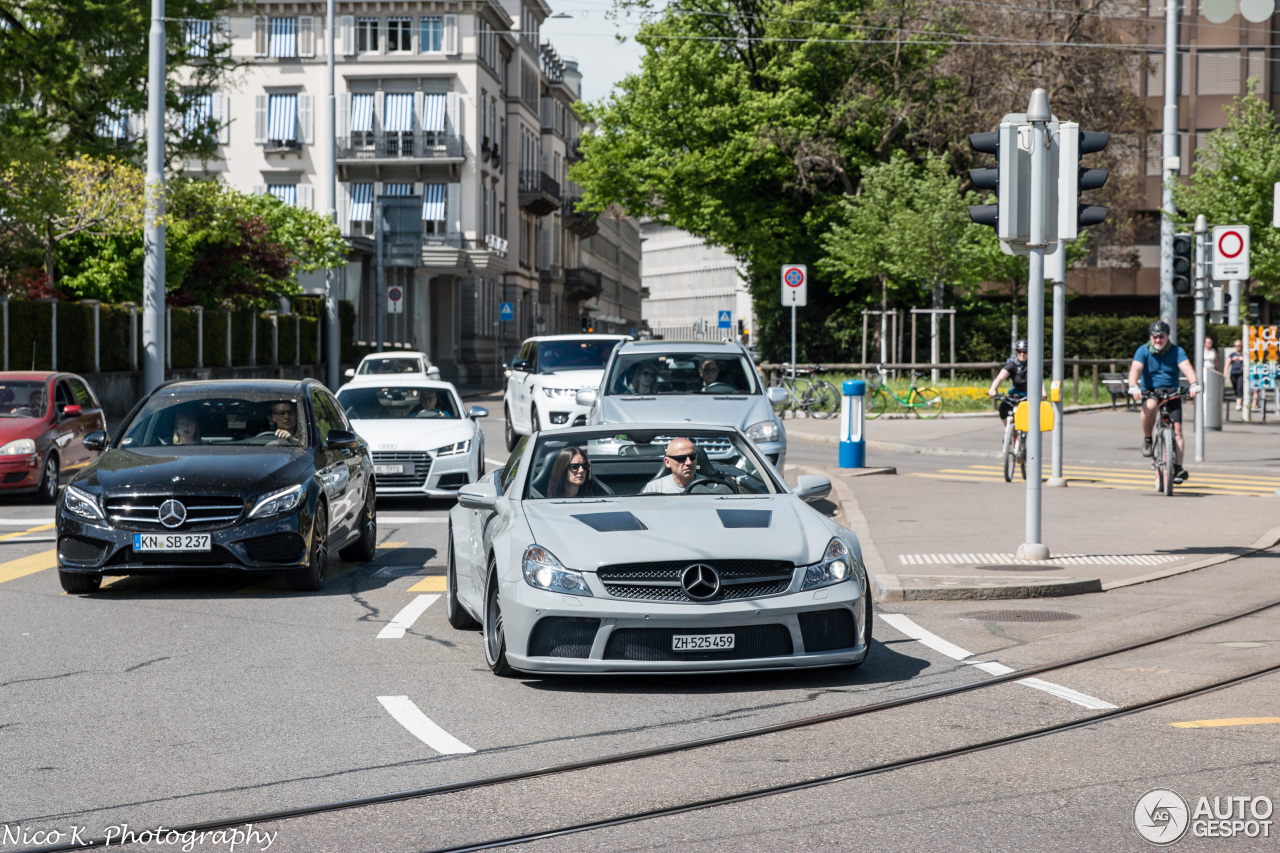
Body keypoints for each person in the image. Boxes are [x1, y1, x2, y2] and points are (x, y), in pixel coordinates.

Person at [1128, 321, 1200, 483]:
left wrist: (1194, 383)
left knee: (1178, 430)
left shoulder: (1176, 350)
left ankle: (1179, 468)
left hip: (1172, 391)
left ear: (1167, 337)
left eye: (1161, 337)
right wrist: (1133, 386)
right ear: (1150, 337)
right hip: (1151, 391)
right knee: (1150, 406)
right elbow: (1135, 369)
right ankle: (1148, 439)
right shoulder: (1143, 350)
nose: (1158, 340)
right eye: (1155, 337)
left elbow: (1186, 367)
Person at [986, 340, 1030, 426]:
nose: (1022, 354)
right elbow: (999, 378)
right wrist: (992, 389)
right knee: (1003, 407)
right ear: (1016, 352)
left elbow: (1040, 381)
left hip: (1029, 395)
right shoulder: (1012, 364)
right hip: (1016, 394)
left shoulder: (1032, 364)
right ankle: (1008, 432)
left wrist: (1042, 393)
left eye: (1025, 352)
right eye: (1019, 351)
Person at [1227, 339, 1245, 410]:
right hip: (1233, 373)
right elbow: (1227, 363)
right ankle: (1239, 399)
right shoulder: (1232, 354)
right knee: (1235, 387)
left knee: (1239, 388)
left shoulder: (1244, 354)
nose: (1237, 347)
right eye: (1236, 346)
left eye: (1239, 346)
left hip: (1241, 373)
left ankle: (1238, 404)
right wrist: (1225, 372)